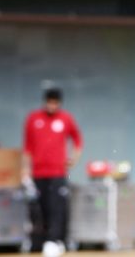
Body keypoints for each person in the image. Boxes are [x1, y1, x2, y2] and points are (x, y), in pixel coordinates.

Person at [23, 88, 82, 257]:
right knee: (41, 208)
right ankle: (42, 240)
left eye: (55, 103)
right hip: (38, 173)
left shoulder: (65, 119)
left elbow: (77, 140)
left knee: (57, 207)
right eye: (49, 102)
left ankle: (55, 240)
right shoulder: (34, 118)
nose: (52, 106)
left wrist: (74, 158)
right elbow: (27, 147)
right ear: (45, 102)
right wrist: (24, 170)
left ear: (59, 103)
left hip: (57, 172)